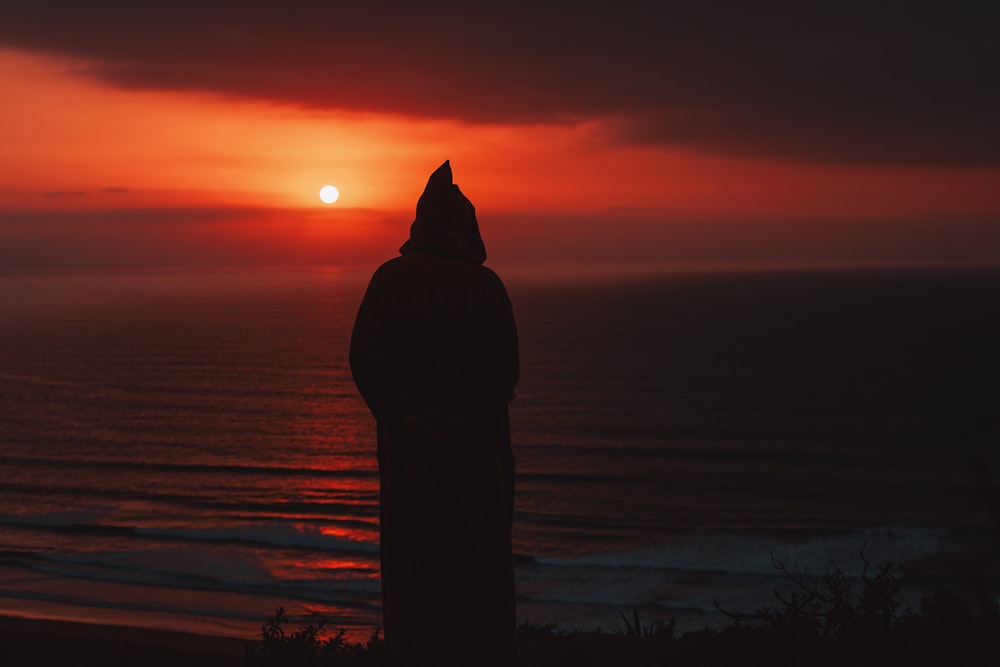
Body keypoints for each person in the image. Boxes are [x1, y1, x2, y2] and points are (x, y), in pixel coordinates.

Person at [350, 160, 519, 666]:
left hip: (410, 453)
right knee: (476, 564)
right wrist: (454, 420)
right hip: (474, 456)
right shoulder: (486, 287)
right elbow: (502, 374)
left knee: (413, 560)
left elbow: (365, 358)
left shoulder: (388, 280)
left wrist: (405, 417)